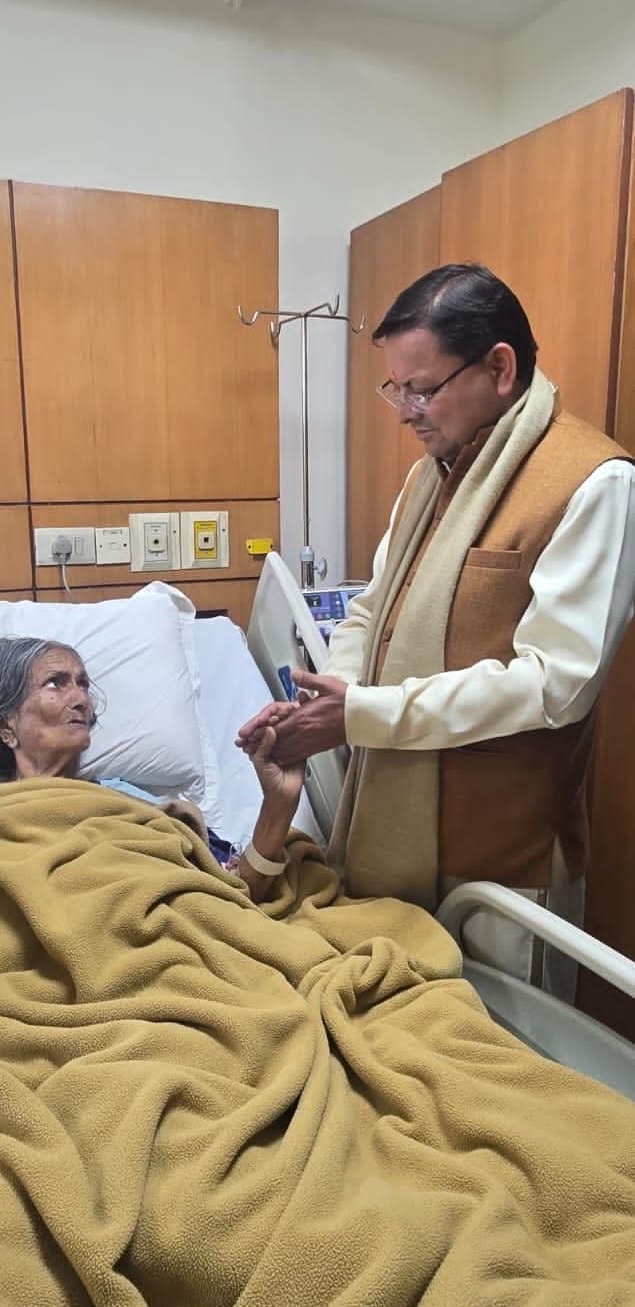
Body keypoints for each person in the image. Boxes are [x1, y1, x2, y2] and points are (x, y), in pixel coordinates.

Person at [238, 264, 635, 989]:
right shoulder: (432, 475)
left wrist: (363, 713)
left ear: (500, 368)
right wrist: (331, 698)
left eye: (422, 389)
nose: (405, 412)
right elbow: (372, 609)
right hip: (392, 829)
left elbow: (555, 685)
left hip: (502, 856)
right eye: (395, 389)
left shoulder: (594, 483)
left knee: (500, 1040)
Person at [0, 636, 304, 905]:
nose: (81, 700)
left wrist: (279, 803)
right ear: (6, 725)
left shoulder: (128, 800)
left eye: (83, 684)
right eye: (55, 683)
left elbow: (236, 893)